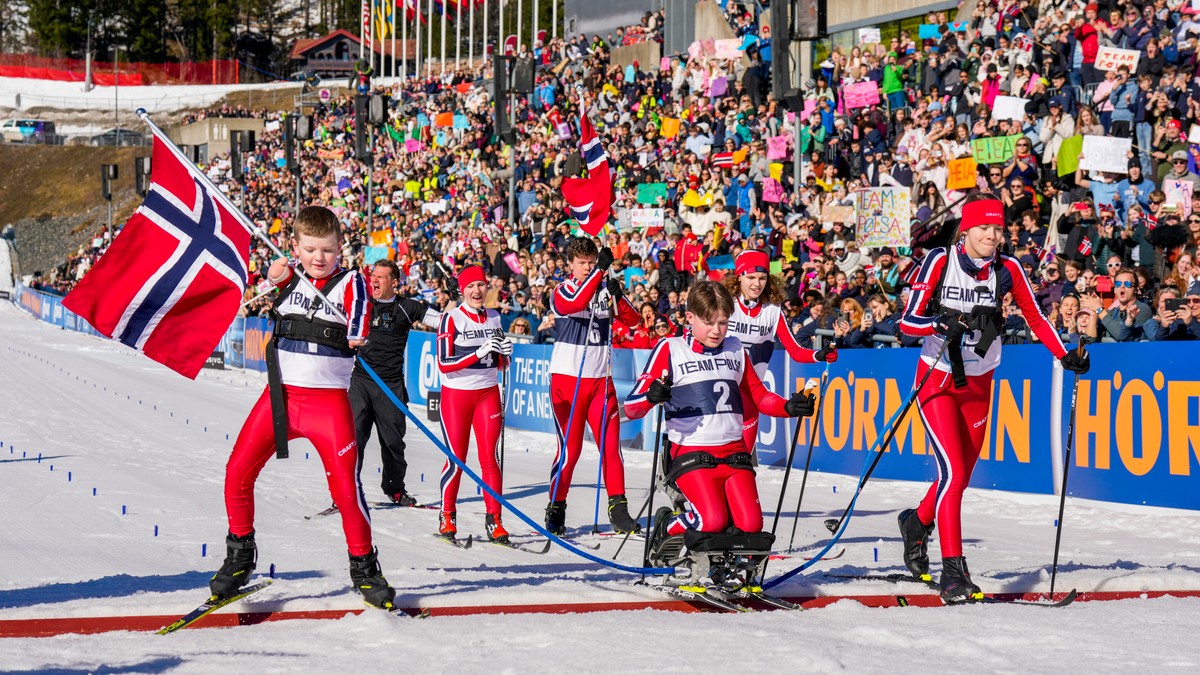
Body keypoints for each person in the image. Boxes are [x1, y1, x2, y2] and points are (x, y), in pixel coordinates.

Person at [896, 195, 1092, 603]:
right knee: (952, 474)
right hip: (937, 379)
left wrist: (1064, 354)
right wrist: (940, 323)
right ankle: (953, 573)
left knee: (960, 476)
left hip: (979, 382)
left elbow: (1035, 315)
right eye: (984, 228)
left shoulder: (1008, 268)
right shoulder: (940, 261)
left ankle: (917, 523)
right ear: (966, 229)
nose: (991, 235)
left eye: (997, 229)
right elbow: (907, 323)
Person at [211, 206, 395, 610]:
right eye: (310, 249)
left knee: (345, 489)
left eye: (327, 250)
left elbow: (361, 312)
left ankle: (364, 567)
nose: (319, 258)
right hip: (280, 399)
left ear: (340, 247)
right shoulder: (290, 277)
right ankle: (240, 555)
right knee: (237, 471)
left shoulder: (351, 282)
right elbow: (274, 280)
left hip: (327, 405)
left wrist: (357, 332)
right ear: (295, 246)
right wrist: (275, 275)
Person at [624, 281, 816, 557]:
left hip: (734, 451)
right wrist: (650, 396)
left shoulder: (735, 349)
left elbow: (759, 397)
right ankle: (667, 525)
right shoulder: (671, 348)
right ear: (690, 317)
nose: (716, 331)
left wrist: (789, 406)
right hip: (692, 451)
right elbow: (632, 407)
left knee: (751, 527)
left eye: (723, 323)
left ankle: (722, 563)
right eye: (708, 322)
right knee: (712, 521)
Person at [545, 237, 641, 535]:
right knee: (571, 450)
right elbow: (574, 303)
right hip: (568, 381)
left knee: (611, 447)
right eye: (582, 263)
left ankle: (618, 509)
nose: (587, 267)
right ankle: (556, 506)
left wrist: (618, 296)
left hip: (601, 380)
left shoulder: (602, 287)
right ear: (570, 265)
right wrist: (599, 272)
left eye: (591, 262)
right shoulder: (562, 289)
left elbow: (634, 321)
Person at [721, 249, 835, 459]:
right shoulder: (726, 306)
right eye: (751, 277)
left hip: (751, 395)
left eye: (762, 278)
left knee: (742, 464)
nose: (757, 284)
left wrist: (819, 355)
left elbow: (795, 351)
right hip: (720, 390)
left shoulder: (772, 311)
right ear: (739, 277)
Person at [350, 260, 440, 507]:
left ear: (394, 282)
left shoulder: (407, 307)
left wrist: (456, 302)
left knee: (393, 441)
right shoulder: (361, 305)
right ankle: (345, 489)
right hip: (362, 380)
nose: (374, 280)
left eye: (380, 276)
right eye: (373, 276)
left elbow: (442, 321)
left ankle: (395, 489)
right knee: (353, 437)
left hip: (390, 384)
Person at [435, 265, 513, 543]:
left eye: (480, 285)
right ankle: (447, 514)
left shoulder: (494, 317)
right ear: (462, 290)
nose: (476, 291)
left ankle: (495, 520)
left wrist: (506, 354)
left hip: (487, 394)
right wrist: (479, 351)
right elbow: (444, 363)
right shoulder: (451, 318)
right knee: (457, 460)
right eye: (470, 286)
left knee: (490, 459)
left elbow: (500, 362)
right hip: (457, 395)